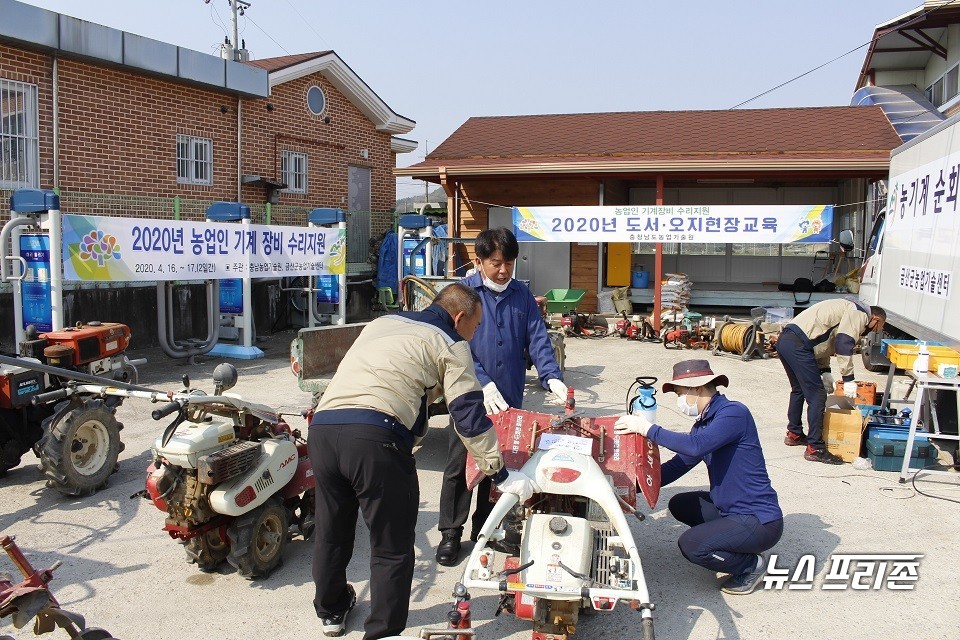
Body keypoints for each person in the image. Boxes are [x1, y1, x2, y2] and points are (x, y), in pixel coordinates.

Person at [308, 282, 538, 640]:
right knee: (390, 544)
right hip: (376, 438)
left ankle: (331, 612)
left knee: (332, 531)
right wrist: (499, 471)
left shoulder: (381, 323)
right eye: (475, 327)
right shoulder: (452, 344)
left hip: (323, 430)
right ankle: (382, 631)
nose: (474, 335)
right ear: (459, 317)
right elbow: (468, 417)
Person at [435, 227, 566, 566]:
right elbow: (455, 343)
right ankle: (450, 533)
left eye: (509, 263)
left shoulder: (522, 295)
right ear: (478, 262)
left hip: (508, 397)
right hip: (466, 395)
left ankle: (486, 528)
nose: (504, 270)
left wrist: (552, 377)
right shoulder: (464, 295)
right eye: (495, 263)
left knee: (501, 462)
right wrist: (480, 381)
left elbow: (537, 338)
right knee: (459, 464)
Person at [614, 359, 783, 595]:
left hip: (758, 520)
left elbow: (695, 446)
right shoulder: (705, 424)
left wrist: (648, 429)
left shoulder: (733, 413)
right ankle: (727, 543)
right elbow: (678, 465)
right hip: (731, 509)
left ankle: (751, 565)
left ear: (698, 388)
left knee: (691, 545)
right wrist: (626, 486)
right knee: (680, 504)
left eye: (680, 393)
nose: (680, 401)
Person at [775, 299, 886, 464]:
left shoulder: (845, 307)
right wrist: (848, 379)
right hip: (799, 345)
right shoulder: (860, 313)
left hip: (786, 340)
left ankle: (794, 434)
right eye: (879, 327)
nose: (875, 331)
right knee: (817, 396)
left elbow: (824, 341)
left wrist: (825, 371)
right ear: (876, 319)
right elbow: (843, 342)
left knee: (798, 389)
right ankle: (815, 449)